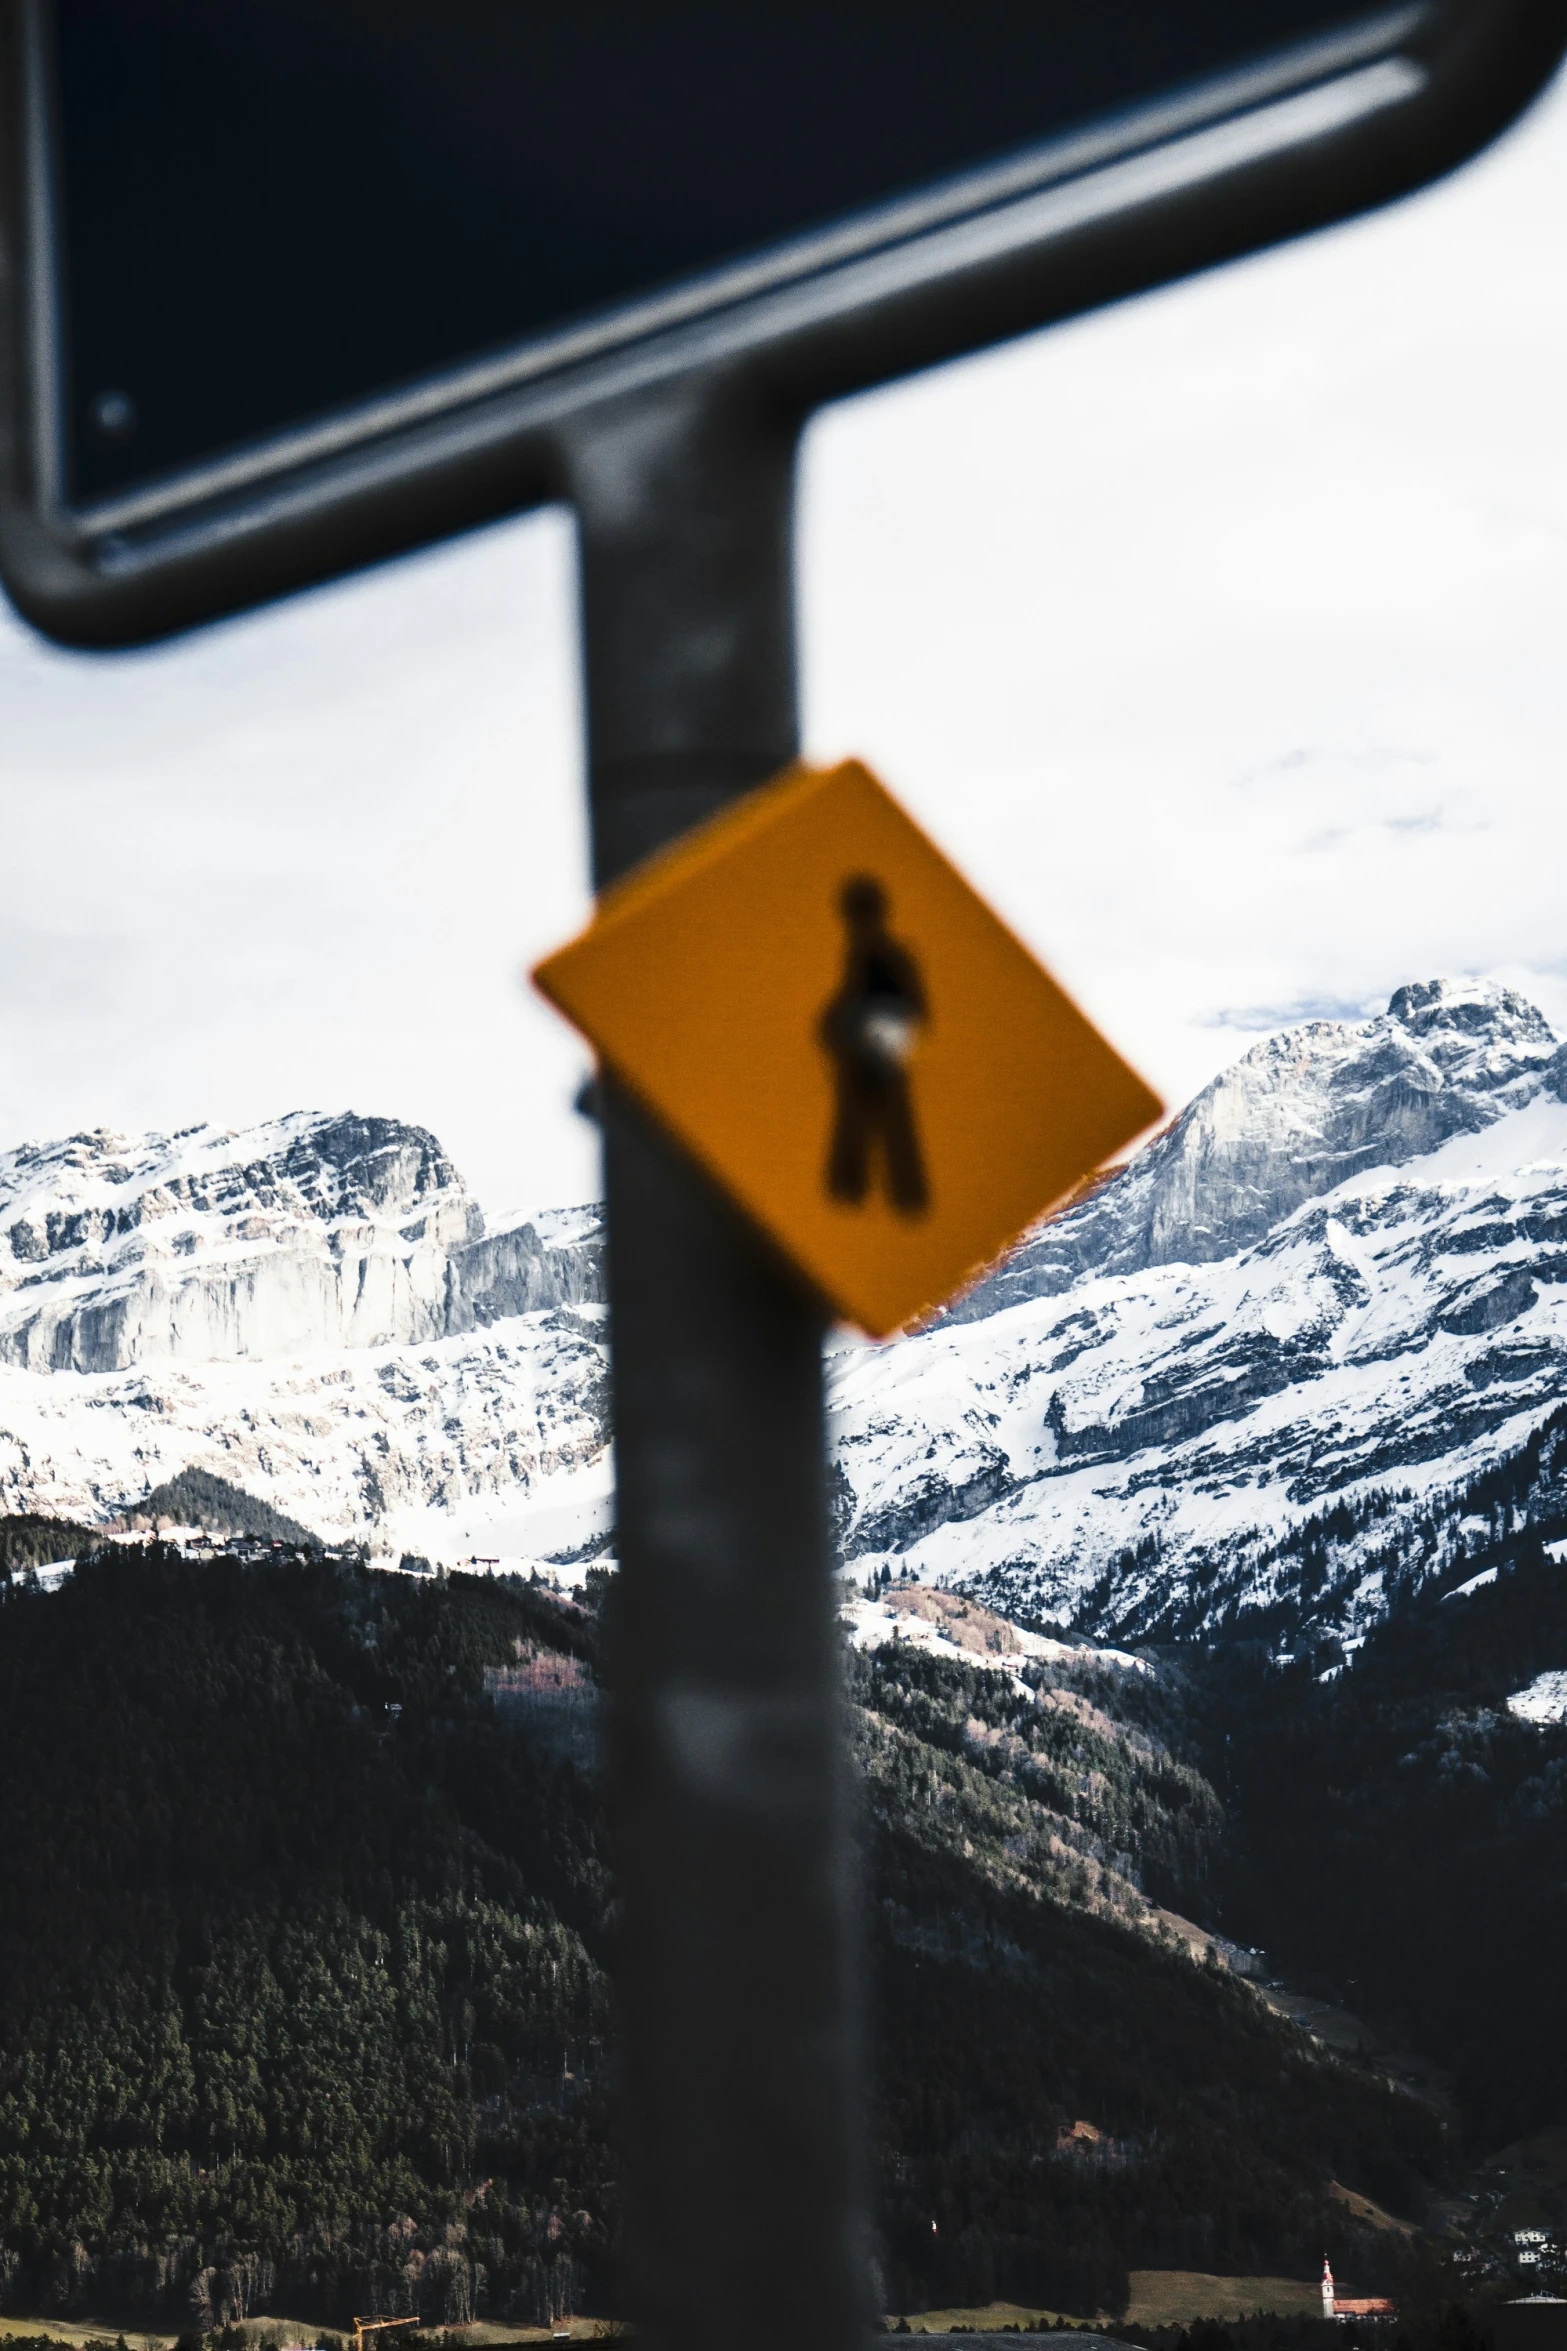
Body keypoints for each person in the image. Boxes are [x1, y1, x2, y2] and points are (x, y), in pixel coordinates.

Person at [819, 874, 930, 1216]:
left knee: (890, 1125)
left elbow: (914, 1007)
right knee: (861, 1124)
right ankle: (854, 1195)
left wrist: (869, 1028)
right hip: (863, 1053)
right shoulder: (859, 953)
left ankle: (902, 1197)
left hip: (879, 1051)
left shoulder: (888, 955)